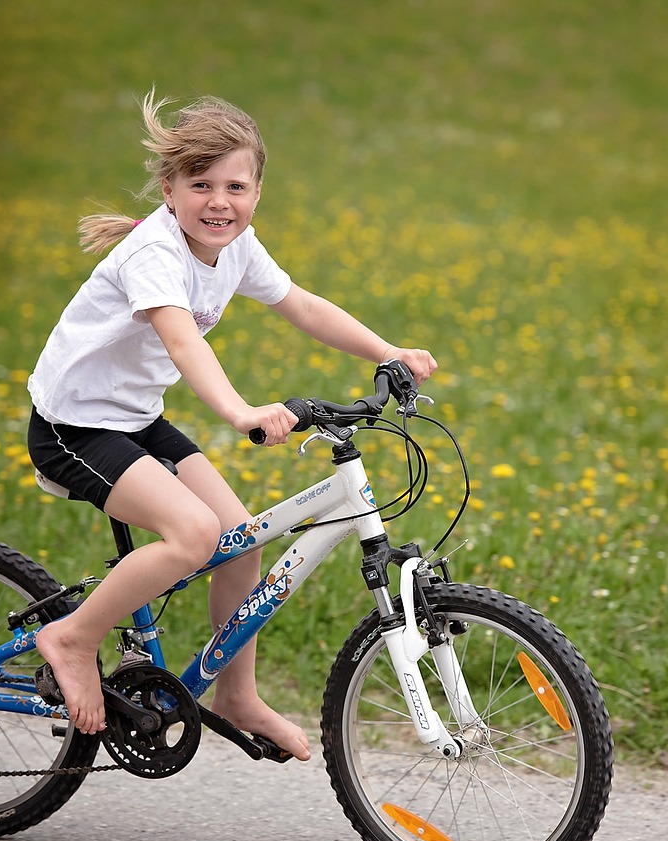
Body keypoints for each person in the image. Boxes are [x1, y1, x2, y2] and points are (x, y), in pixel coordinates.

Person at [27, 91, 437, 760]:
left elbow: (301, 304)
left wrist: (387, 352)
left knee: (240, 541)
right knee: (194, 535)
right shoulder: (153, 255)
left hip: (134, 420)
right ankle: (72, 638)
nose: (220, 201)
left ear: (257, 192)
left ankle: (235, 694)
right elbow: (184, 343)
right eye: (202, 185)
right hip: (73, 426)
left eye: (236, 186)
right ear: (170, 189)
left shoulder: (237, 246)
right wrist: (242, 412)